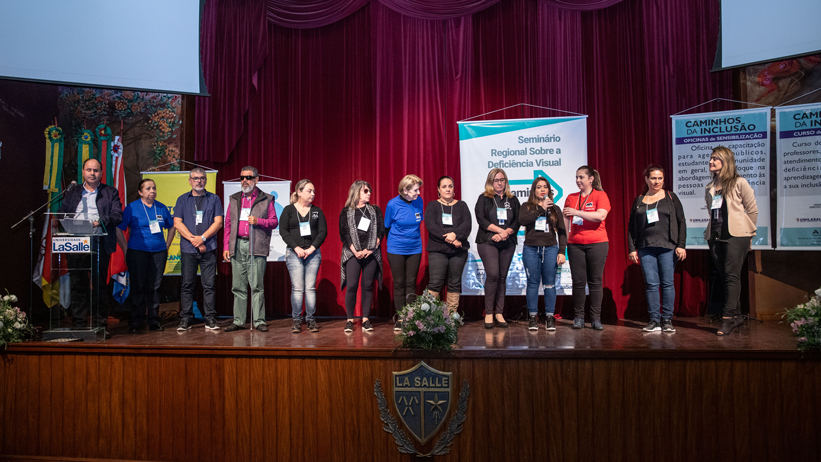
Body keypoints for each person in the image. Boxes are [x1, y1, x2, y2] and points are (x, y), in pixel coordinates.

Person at [57, 158, 122, 332]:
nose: (92, 173)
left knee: (99, 285)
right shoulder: (73, 192)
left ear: (100, 173)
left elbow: (117, 216)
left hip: (99, 241)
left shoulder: (110, 192)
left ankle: (100, 324)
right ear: (83, 172)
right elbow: (62, 212)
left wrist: (99, 221)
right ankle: (79, 323)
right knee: (78, 284)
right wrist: (68, 221)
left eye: (96, 170)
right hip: (76, 241)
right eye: (89, 170)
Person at [704, 147, 758, 336]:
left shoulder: (739, 182)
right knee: (726, 276)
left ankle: (727, 319)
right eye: (710, 158)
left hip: (737, 235)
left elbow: (752, 210)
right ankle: (737, 316)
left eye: (715, 159)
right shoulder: (709, 187)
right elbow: (711, 213)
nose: (711, 162)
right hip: (716, 236)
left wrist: (748, 235)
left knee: (732, 275)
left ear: (725, 161)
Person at [627, 165, 686, 333]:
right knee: (651, 284)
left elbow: (681, 221)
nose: (657, 181)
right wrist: (632, 248)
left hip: (668, 247)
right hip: (645, 248)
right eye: (653, 178)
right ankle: (654, 320)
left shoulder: (670, 197)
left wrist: (681, 245)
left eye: (660, 178)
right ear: (646, 179)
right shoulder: (639, 200)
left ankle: (667, 319)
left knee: (667, 283)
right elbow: (631, 227)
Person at [223, 167, 278, 332]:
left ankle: (259, 321)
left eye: (248, 177)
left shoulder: (266, 199)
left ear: (256, 179)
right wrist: (226, 246)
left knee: (256, 285)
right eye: (242, 178)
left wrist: (259, 221)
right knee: (238, 286)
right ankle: (239, 321)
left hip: (256, 246)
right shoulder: (234, 199)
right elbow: (228, 224)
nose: (244, 181)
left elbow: (274, 222)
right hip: (237, 245)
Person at [116, 179, 175, 333]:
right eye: (148, 188)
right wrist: (125, 247)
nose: (152, 191)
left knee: (155, 287)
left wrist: (167, 244)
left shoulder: (161, 207)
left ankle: (154, 321)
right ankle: (136, 321)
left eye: (154, 188)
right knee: (138, 287)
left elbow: (172, 226)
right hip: (137, 252)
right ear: (140, 192)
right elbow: (119, 228)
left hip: (158, 252)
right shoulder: (132, 208)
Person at [173, 167, 223, 331]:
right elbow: (177, 223)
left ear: (206, 180)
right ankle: (186, 319)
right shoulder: (182, 199)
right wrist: (194, 240)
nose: (199, 181)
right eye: (195, 178)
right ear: (190, 181)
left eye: (202, 178)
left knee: (209, 285)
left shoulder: (214, 199)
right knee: (187, 285)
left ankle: (210, 319)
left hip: (208, 248)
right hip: (188, 249)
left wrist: (202, 238)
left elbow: (218, 223)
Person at [563, 166, 610, 330]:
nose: (578, 180)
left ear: (591, 179)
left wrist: (577, 212)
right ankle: (579, 317)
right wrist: (565, 241)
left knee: (595, 281)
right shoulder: (571, 197)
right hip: (575, 244)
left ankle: (596, 318)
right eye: (576, 177)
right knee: (578, 282)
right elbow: (566, 221)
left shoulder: (600, 195)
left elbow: (600, 215)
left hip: (597, 244)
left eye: (581, 177)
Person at [519, 177, 567, 331]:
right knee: (532, 282)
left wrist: (562, 252)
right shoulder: (527, 206)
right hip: (531, 248)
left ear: (549, 190)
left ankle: (549, 317)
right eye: (539, 187)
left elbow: (562, 232)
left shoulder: (555, 209)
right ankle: (533, 316)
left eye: (545, 187)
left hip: (550, 248)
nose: (542, 190)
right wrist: (541, 208)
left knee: (549, 283)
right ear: (534, 190)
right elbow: (522, 220)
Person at [474, 168, 520, 329]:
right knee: (493, 275)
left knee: (502, 277)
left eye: (502, 180)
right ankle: (488, 312)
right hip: (488, 241)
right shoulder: (484, 198)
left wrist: (505, 232)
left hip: (507, 241)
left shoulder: (512, 199)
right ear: (490, 182)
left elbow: (517, 220)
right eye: (496, 180)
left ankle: (499, 313)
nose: (499, 183)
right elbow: (481, 219)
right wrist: (499, 231)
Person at [280, 179, 327, 333]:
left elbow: (322, 232)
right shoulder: (288, 210)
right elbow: (284, 231)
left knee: (310, 288)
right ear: (299, 192)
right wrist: (297, 248)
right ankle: (296, 321)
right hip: (294, 253)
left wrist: (312, 248)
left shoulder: (317, 211)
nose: (312, 194)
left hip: (313, 253)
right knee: (298, 288)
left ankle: (311, 320)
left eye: (313, 191)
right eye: (309, 191)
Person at [339, 180, 385, 333]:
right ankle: (349, 320)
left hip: (371, 253)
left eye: (369, 191)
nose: (369, 193)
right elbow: (344, 234)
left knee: (367, 286)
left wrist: (371, 249)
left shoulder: (375, 210)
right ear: (357, 192)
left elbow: (380, 231)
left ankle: (365, 319)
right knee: (352, 286)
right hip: (353, 253)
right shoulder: (346, 211)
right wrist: (355, 250)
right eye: (366, 191)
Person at [424, 176, 471, 315]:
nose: (448, 189)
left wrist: (455, 235)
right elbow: (432, 227)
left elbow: (467, 226)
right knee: (435, 283)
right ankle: (427, 317)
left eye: (450, 186)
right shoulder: (433, 205)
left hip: (458, 251)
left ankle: (451, 318)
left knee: (454, 283)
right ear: (438, 189)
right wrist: (451, 239)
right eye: (444, 186)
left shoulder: (462, 205)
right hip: (438, 250)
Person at [384, 174, 424, 331]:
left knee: (411, 283)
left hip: (415, 248)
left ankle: (411, 317)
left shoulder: (419, 202)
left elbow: (418, 221)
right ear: (405, 190)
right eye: (415, 190)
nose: (418, 193)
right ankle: (401, 317)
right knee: (400, 284)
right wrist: (395, 243)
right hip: (396, 249)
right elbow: (387, 226)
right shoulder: (392, 204)